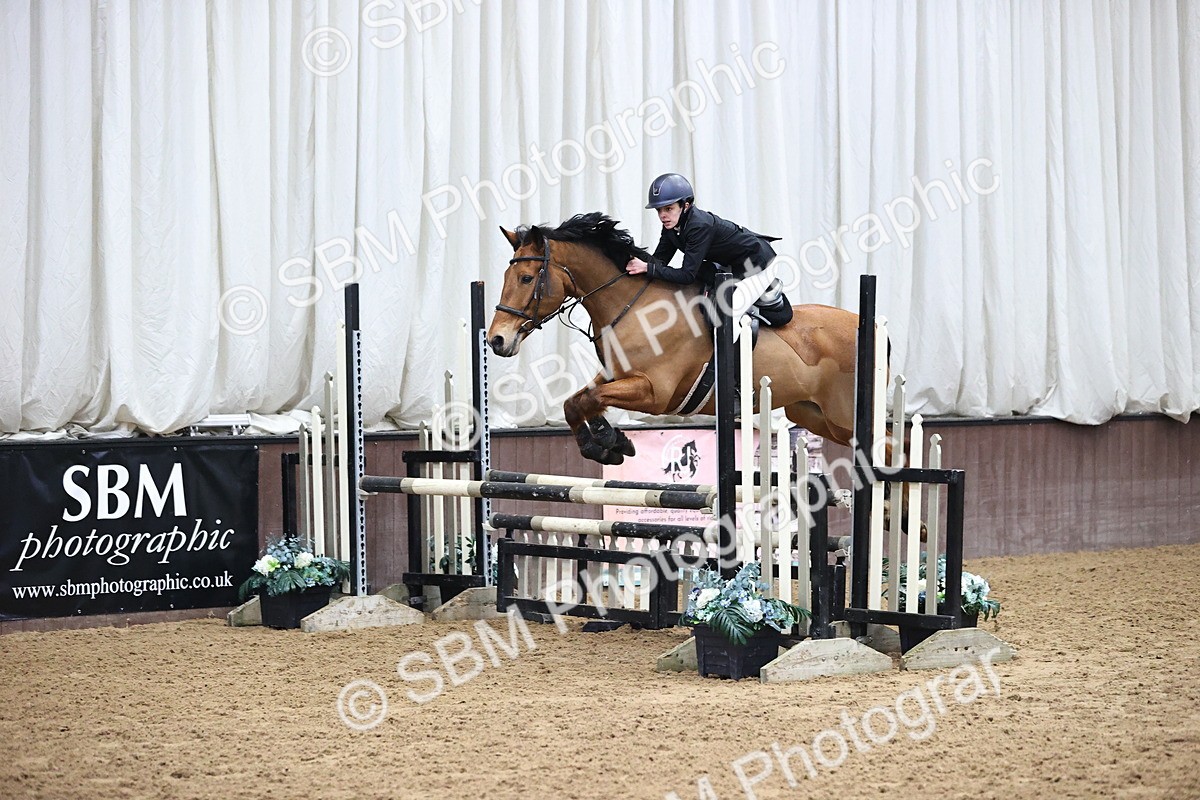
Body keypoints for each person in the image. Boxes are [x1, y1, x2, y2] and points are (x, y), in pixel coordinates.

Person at [625, 173, 793, 327]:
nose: (662, 215)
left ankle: (728, 360)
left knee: (726, 313)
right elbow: (659, 262)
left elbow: (686, 275)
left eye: (668, 208)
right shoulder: (671, 227)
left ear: (686, 205)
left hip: (758, 263)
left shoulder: (699, 226)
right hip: (731, 263)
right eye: (659, 210)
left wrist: (647, 267)